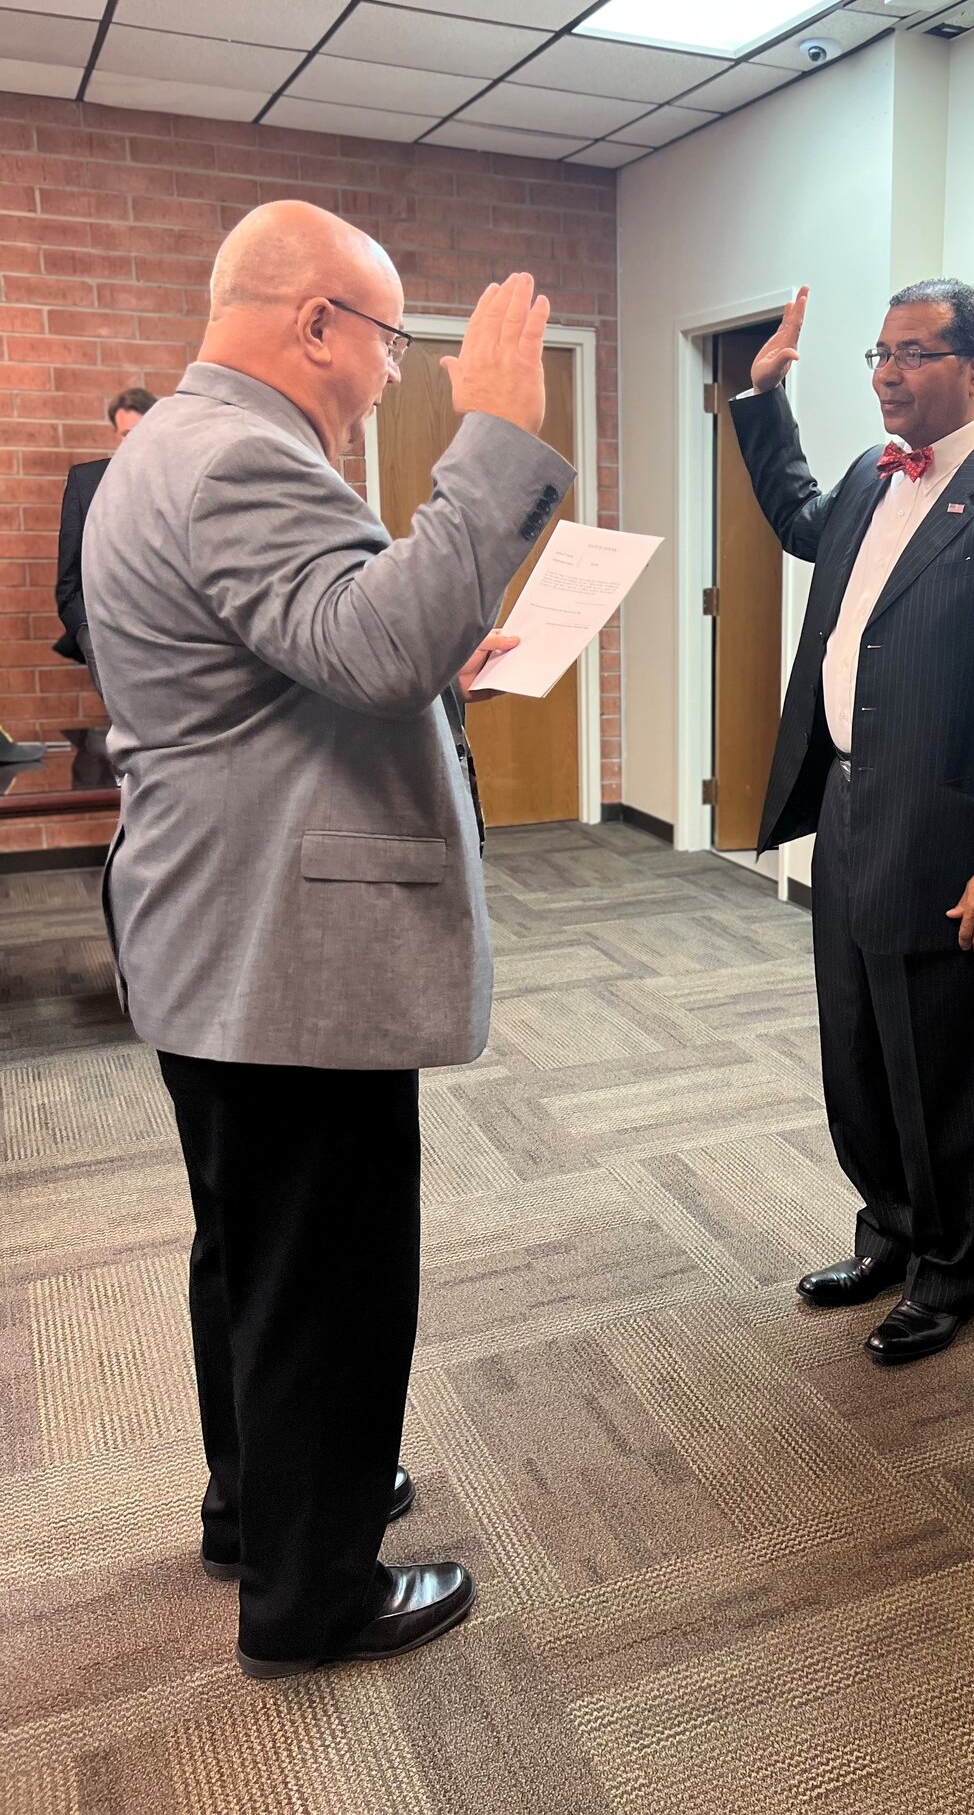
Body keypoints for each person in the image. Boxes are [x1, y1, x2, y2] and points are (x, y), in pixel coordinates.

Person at [82, 202, 572, 1677]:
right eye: (387, 346)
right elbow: (369, 646)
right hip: (281, 958)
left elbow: (314, 660)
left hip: (218, 938)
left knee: (252, 1256)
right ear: (316, 325)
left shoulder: (166, 447)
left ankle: (267, 1507)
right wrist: (491, 433)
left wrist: (436, 669)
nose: (387, 379)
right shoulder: (243, 452)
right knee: (330, 1281)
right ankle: (316, 1595)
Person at [733, 279, 974, 1364]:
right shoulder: (868, 473)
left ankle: (951, 1270)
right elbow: (802, 519)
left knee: (940, 1063)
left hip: (950, 836)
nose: (890, 373)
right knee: (855, 1045)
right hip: (849, 803)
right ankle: (889, 1231)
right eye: (879, 354)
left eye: (916, 354)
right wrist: (765, 402)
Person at [54, 386, 156, 690]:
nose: (133, 441)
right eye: (126, 434)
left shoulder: (182, 479)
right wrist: (88, 635)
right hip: (105, 637)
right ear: (116, 434)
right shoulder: (86, 483)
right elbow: (69, 579)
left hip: (173, 639)